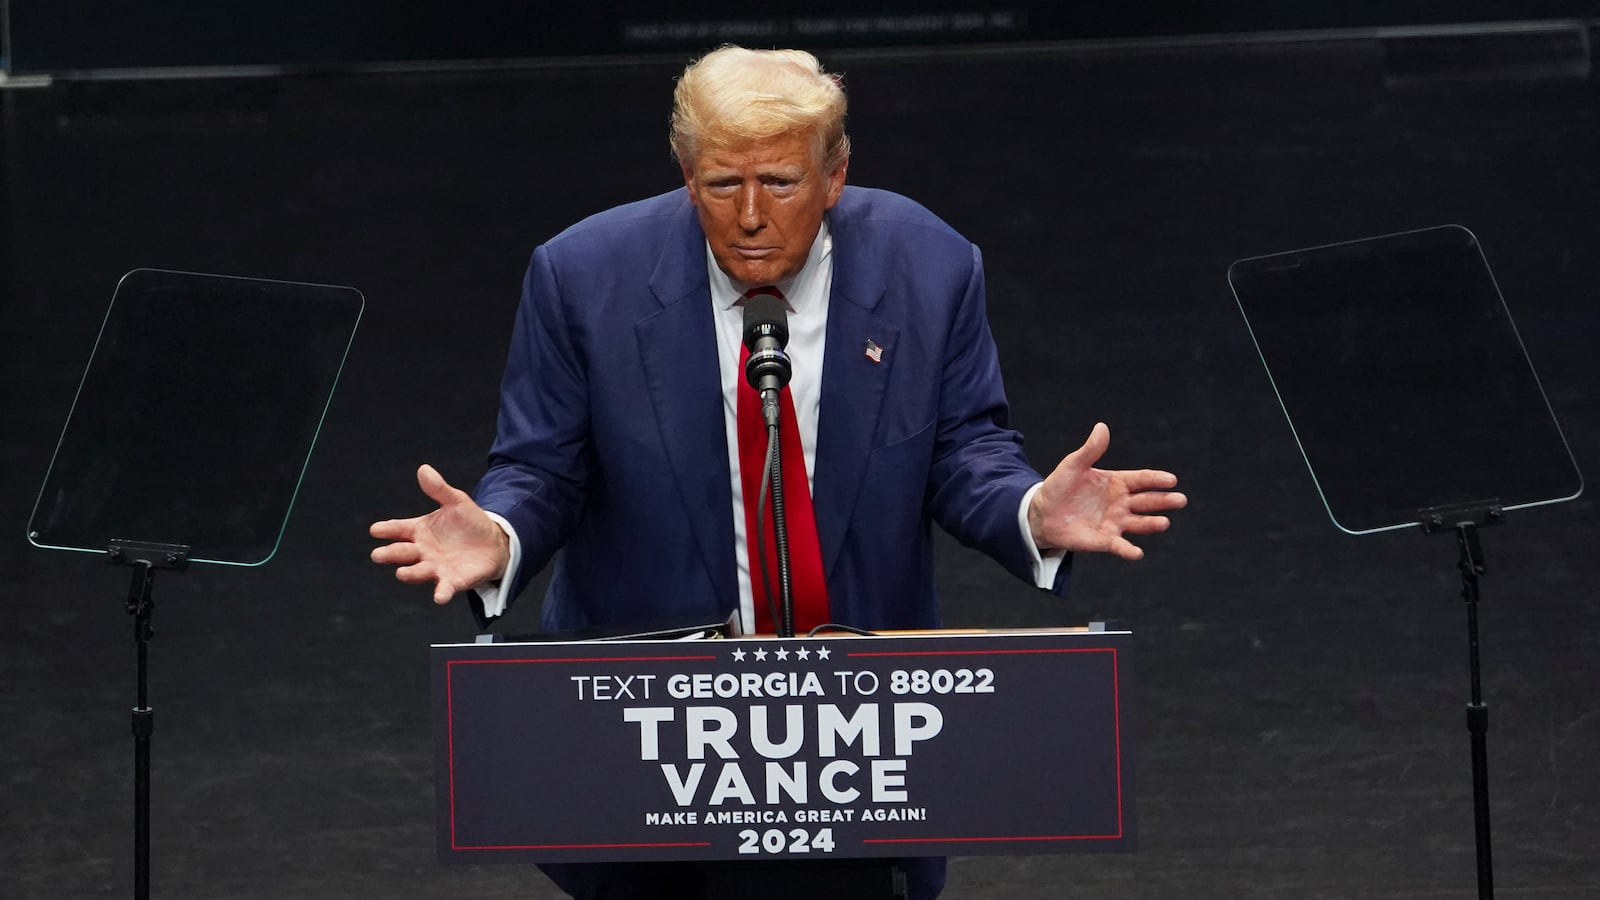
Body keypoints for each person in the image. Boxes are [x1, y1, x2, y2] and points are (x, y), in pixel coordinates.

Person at [371, 45, 1185, 900]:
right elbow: (543, 467)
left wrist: (1027, 510)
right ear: (687, 178)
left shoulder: (929, 265)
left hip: (854, 737)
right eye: (723, 185)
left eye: (782, 184)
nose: (751, 215)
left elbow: (960, 449)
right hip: (657, 740)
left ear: (835, 176)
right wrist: (500, 535)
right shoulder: (584, 276)